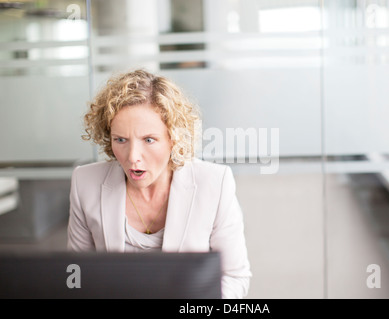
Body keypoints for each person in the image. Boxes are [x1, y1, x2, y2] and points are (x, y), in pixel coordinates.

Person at [67, 69, 251, 299]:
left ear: (174, 138)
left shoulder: (214, 183)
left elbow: (235, 277)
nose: (133, 156)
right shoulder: (85, 183)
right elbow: (74, 274)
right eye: (121, 140)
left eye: (149, 140)